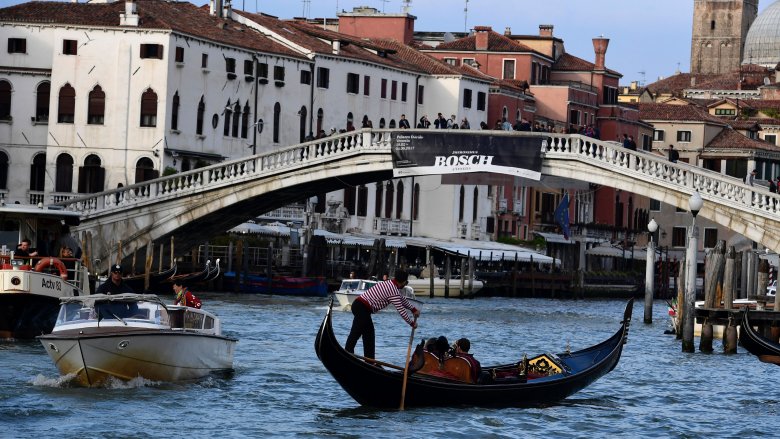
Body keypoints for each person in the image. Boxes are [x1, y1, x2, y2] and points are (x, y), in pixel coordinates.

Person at [345, 270, 419, 360]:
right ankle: (366, 359)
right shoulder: (393, 290)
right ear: (403, 282)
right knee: (367, 333)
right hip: (362, 307)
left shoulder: (390, 284)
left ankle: (352, 354)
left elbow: (401, 299)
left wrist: (413, 309)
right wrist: (411, 323)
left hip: (360, 306)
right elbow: (401, 310)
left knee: (359, 331)